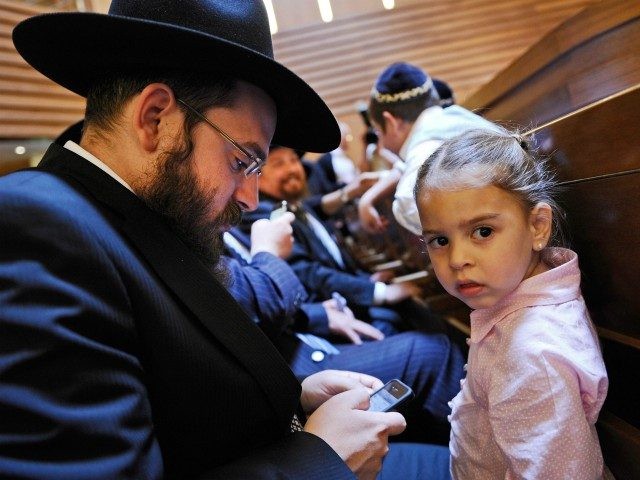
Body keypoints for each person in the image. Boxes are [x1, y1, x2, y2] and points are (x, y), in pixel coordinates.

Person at [1, 2, 417, 478]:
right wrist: (320, 458)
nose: (252, 197)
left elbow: (172, 396)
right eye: (243, 161)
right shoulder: (33, 227)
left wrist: (294, 395)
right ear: (156, 118)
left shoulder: (142, 212)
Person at [413, 128, 609, 479]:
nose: (458, 259)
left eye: (483, 232)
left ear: (537, 226)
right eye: (440, 240)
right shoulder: (518, 294)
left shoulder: (532, 357)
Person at [223, 215, 465, 446]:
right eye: (243, 168)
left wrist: (320, 314)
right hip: (288, 369)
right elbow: (263, 300)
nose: (250, 196)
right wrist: (268, 252)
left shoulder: (222, 225)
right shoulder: (209, 238)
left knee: (389, 322)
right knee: (433, 352)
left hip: (299, 339)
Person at [241, 145, 441, 337]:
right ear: (257, 175)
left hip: (350, 295)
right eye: (278, 164)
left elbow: (320, 206)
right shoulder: (266, 215)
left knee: (414, 312)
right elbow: (307, 272)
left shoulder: (293, 204)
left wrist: (366, 280)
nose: (292, 169)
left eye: (294, 160)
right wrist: (379, 292)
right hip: (332, 311)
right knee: (412, 324)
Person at [357, 62, 500, 236]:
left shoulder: (424, 153)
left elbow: (409, 201)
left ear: (391, 122)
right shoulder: (457, 117)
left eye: (379, 130)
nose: (381, 141)